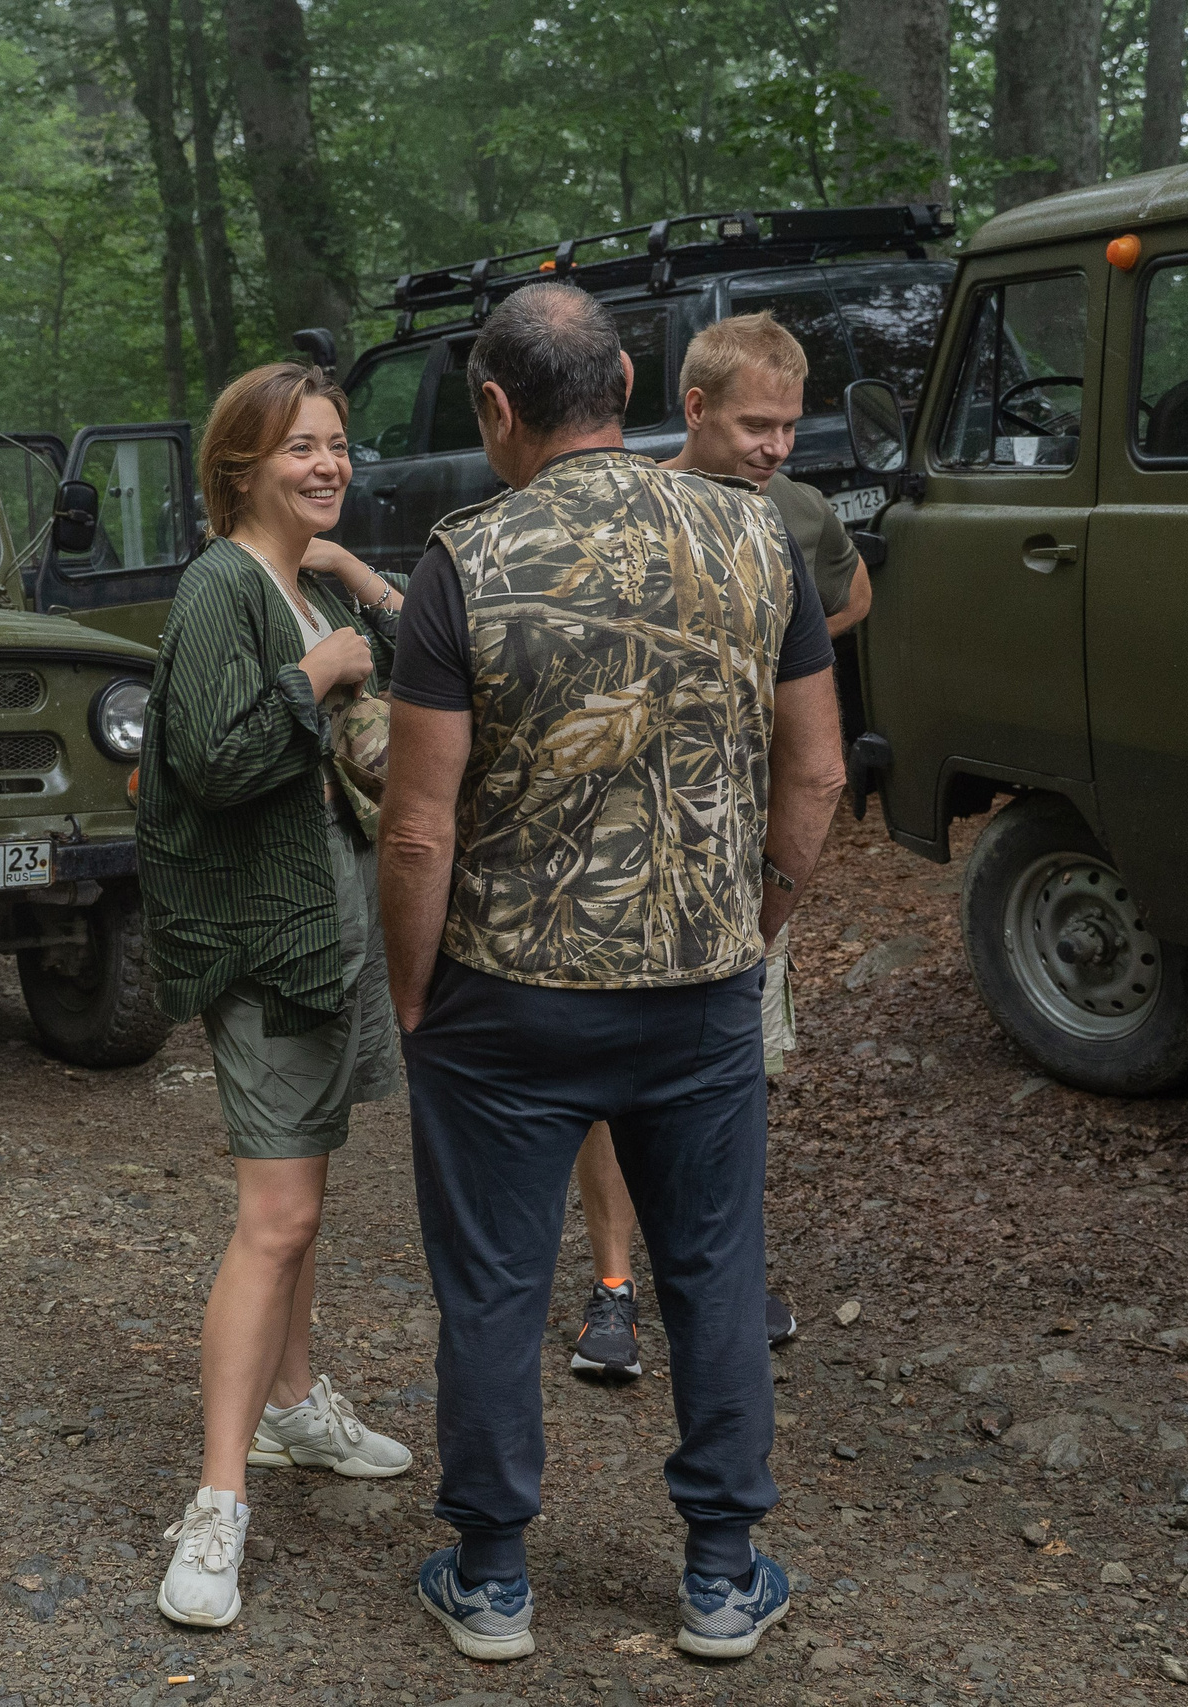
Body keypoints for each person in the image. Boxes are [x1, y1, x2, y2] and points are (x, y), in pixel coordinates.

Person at [380, 284, 848, 1663]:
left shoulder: (461, 561)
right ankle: (718, 1572)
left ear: (497, 409)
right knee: (711, 1267)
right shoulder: (758, 538)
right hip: (698, 991)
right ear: (636, 380)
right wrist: (754, 920)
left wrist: (415, 995)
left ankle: (494, 1578)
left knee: (493, 1283)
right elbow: (816, 770)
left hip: (506, 998)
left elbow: (417, 823)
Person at [133, 363, 416, 1628]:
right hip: (261, 940)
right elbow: (209, 755)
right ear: (237, 466)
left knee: (302, 1199)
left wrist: (348, 585)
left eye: (337, 445)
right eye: (299, 448)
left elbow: (408, 654)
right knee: (274, 1215)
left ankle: (299, 1407)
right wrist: (321, 673)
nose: (326, 463)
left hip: (330, 928)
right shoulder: (218, 588)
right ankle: (216, 1502)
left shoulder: (295, 582)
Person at [568, 311, 853, 1381]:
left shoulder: (793, 517)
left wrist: (785, 671)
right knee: (610, 1083)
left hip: (746, 862)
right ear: (691, 409)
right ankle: (612, 1288)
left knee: (736, 1082)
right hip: (624, 858)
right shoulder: (631, 505)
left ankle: (723, 1278)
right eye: (754, 425)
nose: (775, 446)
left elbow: (849, 599)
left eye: (789, 424)